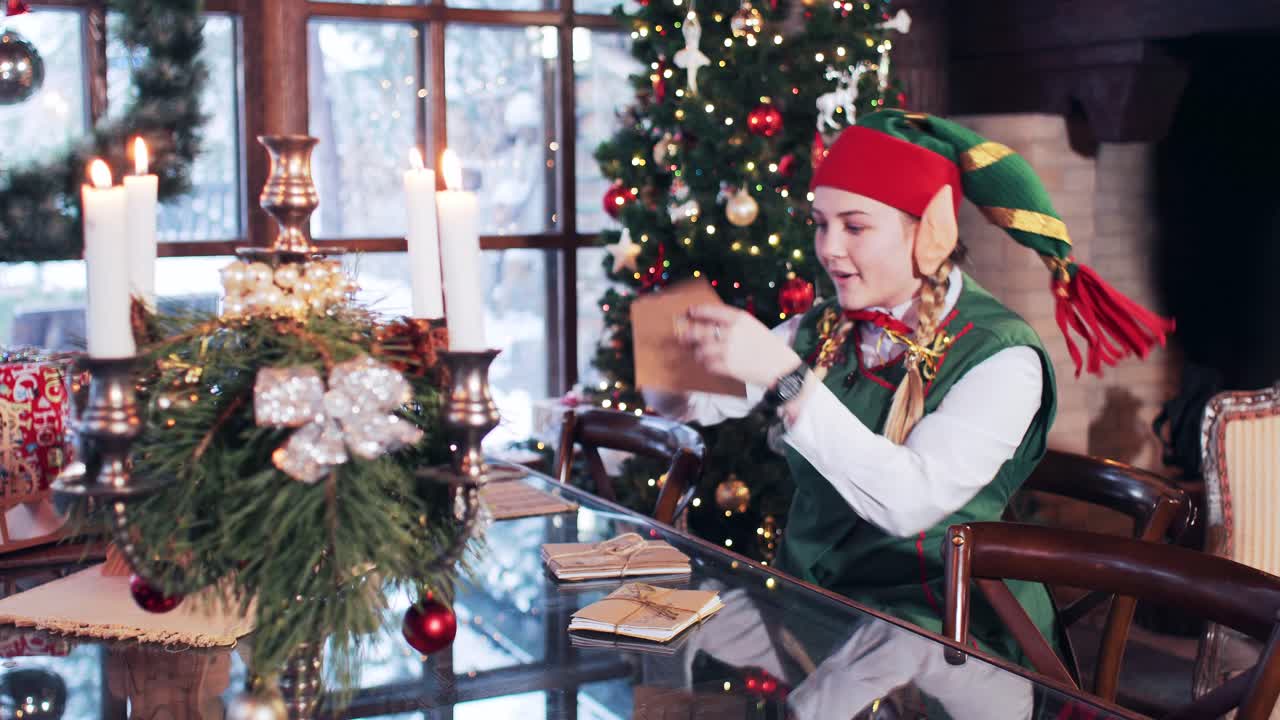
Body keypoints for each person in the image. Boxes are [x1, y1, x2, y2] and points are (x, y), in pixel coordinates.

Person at [645, 109, 1174, 662]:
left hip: (953, 643)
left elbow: (908, 502)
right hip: (818, 612)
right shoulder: (820, 327)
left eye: (854, 226)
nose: (828, 248)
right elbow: (689, 405)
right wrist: (668, 352)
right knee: (663, 643)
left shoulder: (1004, 357)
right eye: (821, 223)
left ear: (931, 233)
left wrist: (787, 379)